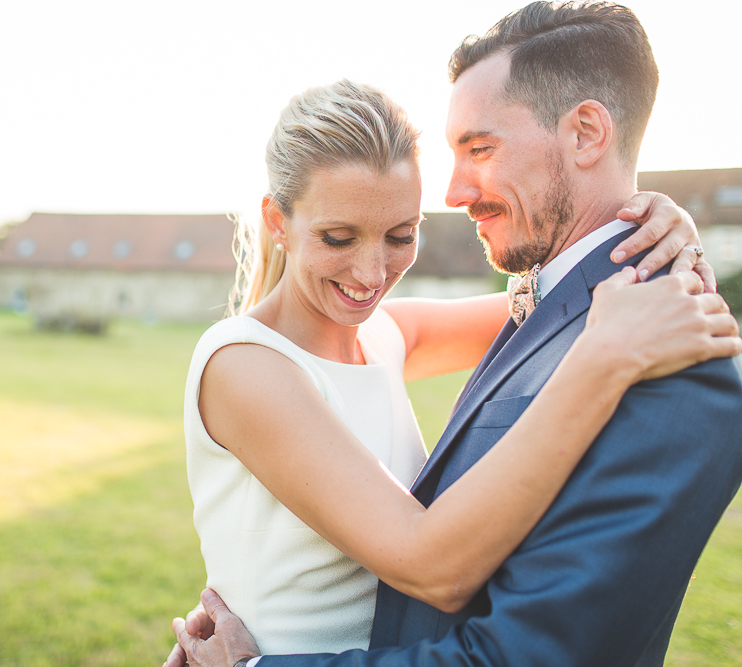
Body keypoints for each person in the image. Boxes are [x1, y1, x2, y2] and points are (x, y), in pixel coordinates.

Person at [167, 3, 742, 667]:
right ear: (277, 220)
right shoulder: (246, 365)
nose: (370, 271)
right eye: (337, 237)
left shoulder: (384, 335)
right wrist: (604, 357)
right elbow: (429, 560)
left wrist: (657, 227)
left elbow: (554, 298)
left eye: (400, 235)